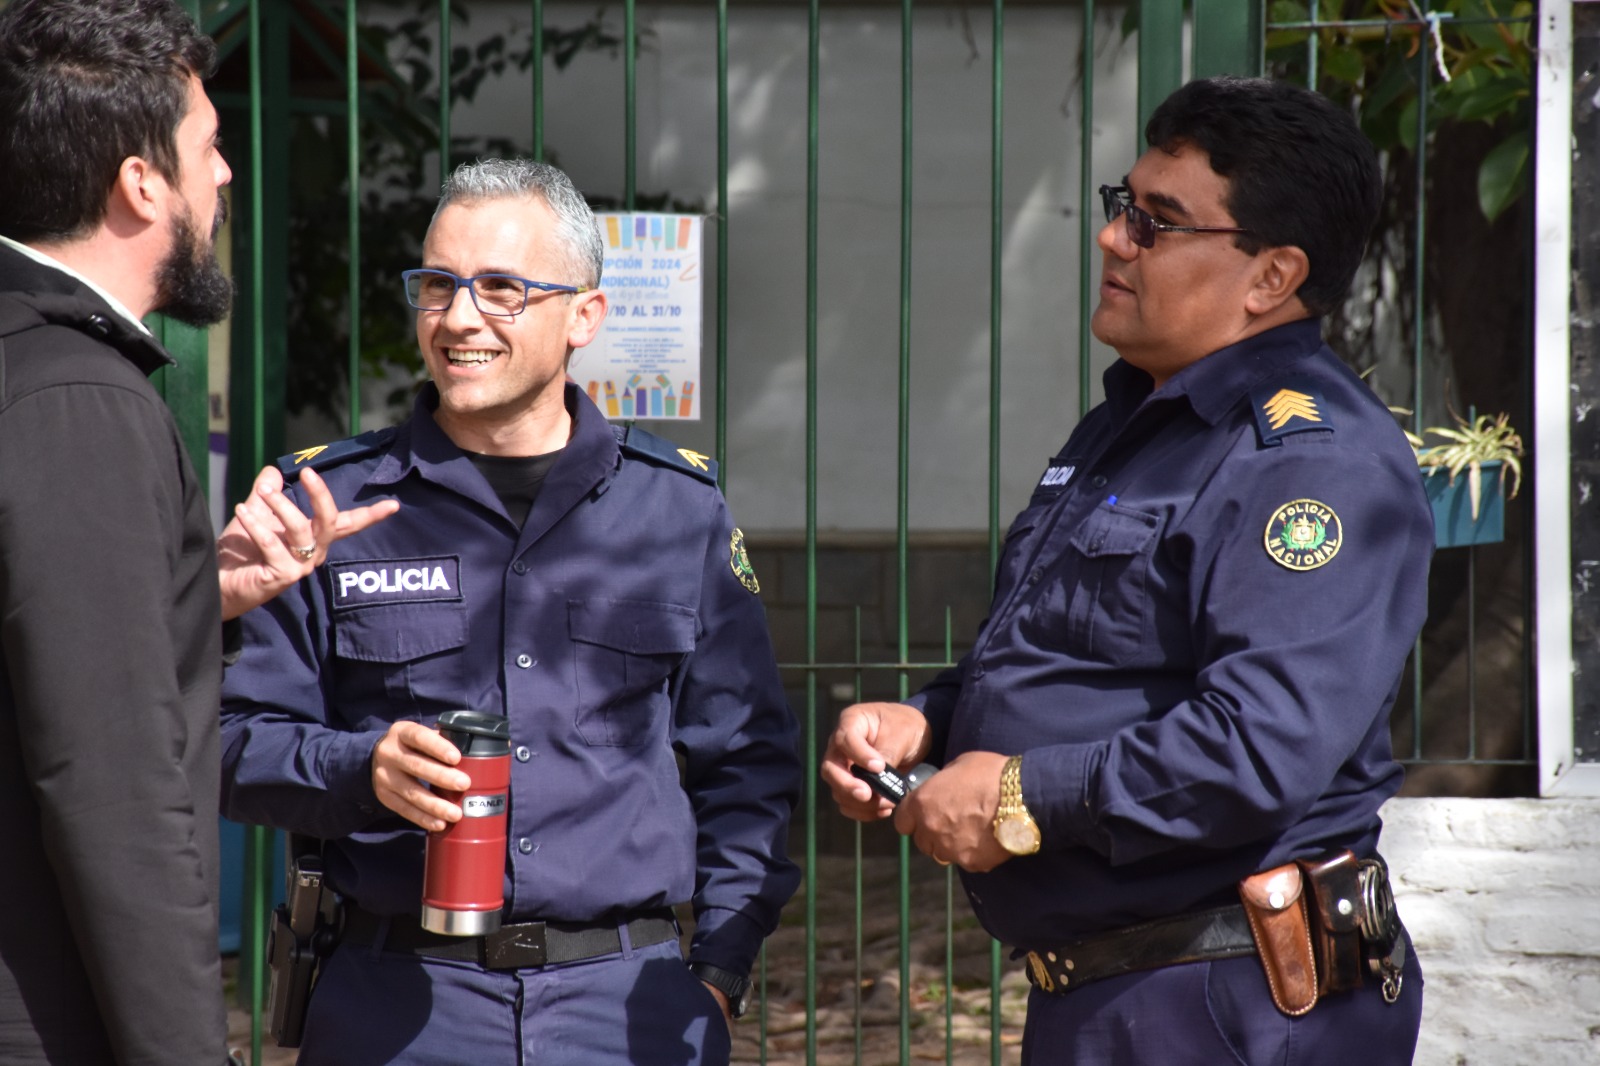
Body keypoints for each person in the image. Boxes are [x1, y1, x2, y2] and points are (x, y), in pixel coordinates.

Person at [822, 76, 1431, 1064]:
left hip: (1224, 999)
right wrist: (930, 718)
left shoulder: (1306, 461)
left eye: (1159, 224)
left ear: (1271, 276)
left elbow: (1254, 750)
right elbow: (1087, 654)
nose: (1113, 240)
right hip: (1118, 988)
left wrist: (1017, 796)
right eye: (1123, 207)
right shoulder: (1137, 424)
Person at [219, 157, 802, 1066]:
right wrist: (361, 769)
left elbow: (750, 766)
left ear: (584, 316)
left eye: (501, 288)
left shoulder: (677, 512)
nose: (459, 318)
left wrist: (719, 968)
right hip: (399, 1004)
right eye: (439, 285)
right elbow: (230, 742)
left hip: (625, 1008)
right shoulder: (329, 509)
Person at [0, 1, 394, 1062]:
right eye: (209, 146)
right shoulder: (81, 400)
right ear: (140, 183)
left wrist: (185, 594)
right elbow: (110, 779)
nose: (224, 175)